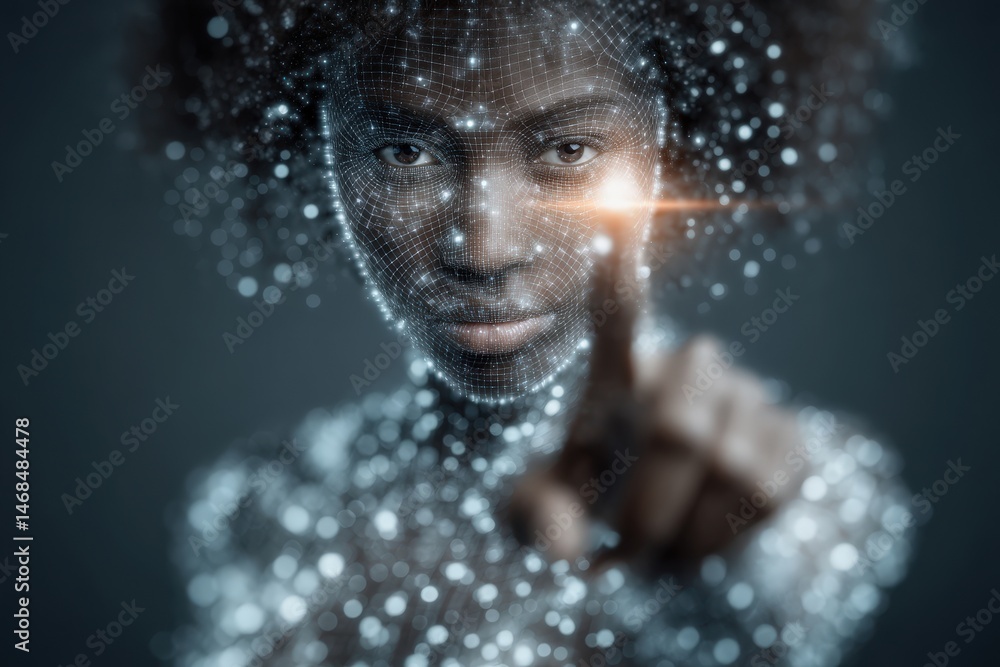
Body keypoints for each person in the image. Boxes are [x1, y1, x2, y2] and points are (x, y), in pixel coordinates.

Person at [148, 1, 915, 665]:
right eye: (404, 152)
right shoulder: (262, 505)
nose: (485, 250)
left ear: (667, 148)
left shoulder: (814, 488)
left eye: (568, 150)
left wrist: (725, 571)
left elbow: (783, 583)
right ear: (318, 156)